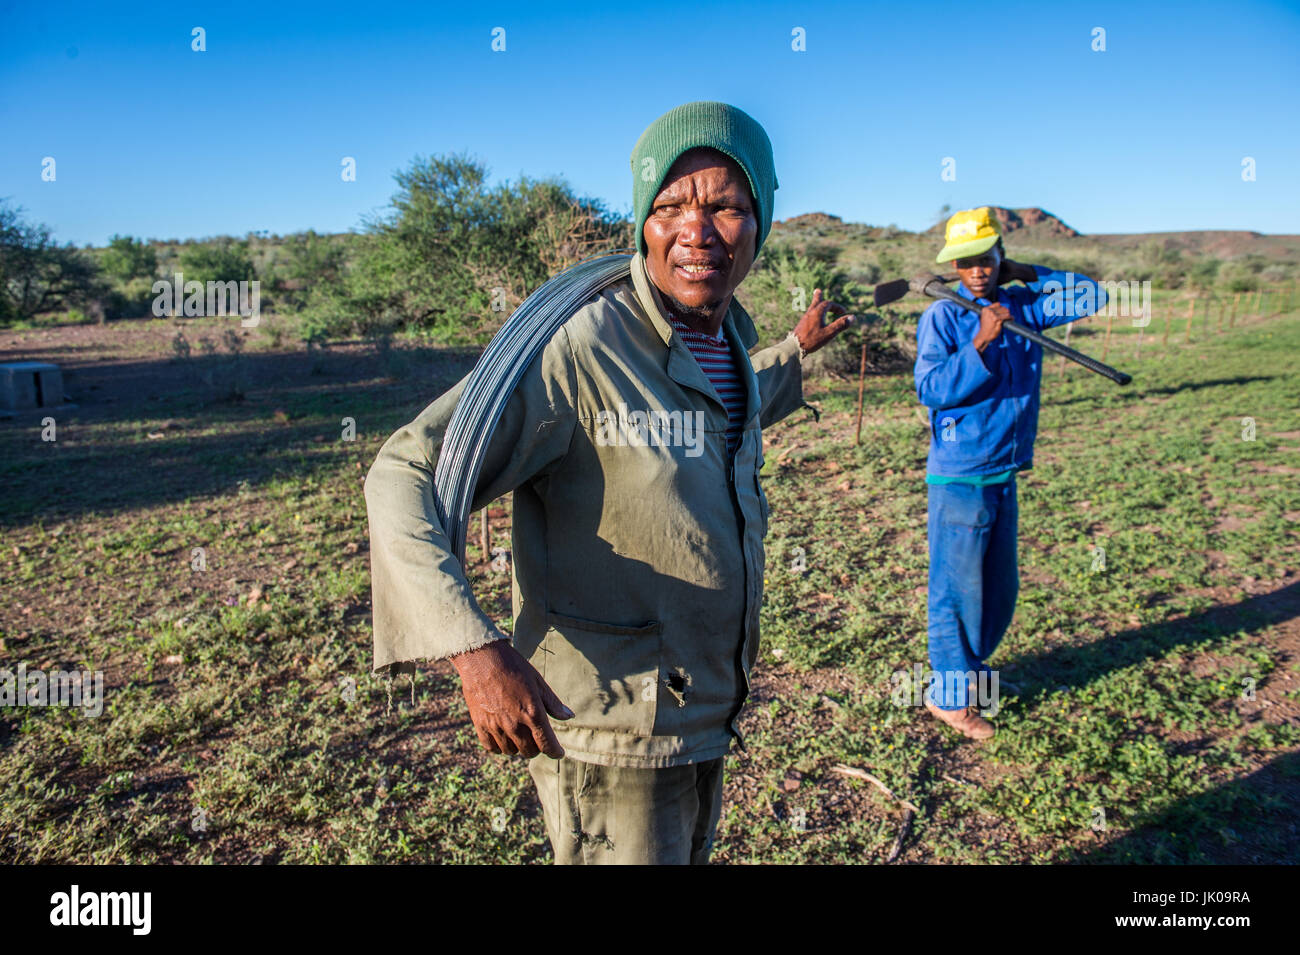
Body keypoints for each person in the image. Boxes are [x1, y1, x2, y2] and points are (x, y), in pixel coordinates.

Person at [364, 101, 854, 863]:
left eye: (726, 205)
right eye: (671, 206)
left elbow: (714, 421)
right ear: (641, 222)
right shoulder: (581, 345)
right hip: (610, 728)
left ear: (762, 221)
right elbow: (404, 471)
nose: (697, 229)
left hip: (700, 708)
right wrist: (475, 651)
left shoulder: (725, 339)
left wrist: (794, 350)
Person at [914, 206, 1108, 739]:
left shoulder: (1021, 302)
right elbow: (930, 389)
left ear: (1000, 255)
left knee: (999, 590)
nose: (977, 269)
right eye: (966, 261)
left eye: (987, 258)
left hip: (1004, 470)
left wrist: (1030, 273)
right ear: (953, 266)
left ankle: (971, 676)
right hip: (960, 475)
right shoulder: (944, 317)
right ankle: (950, 699)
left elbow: (1095, 295)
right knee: (956, 594)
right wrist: (979, 340)